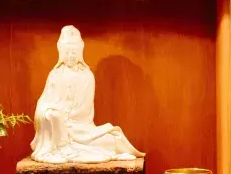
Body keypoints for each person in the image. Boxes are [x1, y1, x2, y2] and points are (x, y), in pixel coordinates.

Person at [30, 25, 145, 164]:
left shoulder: (87, 76)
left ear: (79, 52)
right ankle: (60, 147)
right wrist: (51, 113)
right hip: (57, 129)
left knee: (111, 140)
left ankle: (76, 148)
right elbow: (44, 102)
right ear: (61, 53)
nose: (70, 56)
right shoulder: (55, 75)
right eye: (67, 53)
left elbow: (85, 110)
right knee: (52, 114)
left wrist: (68, 118)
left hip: (81, 129)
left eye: (73, 52)